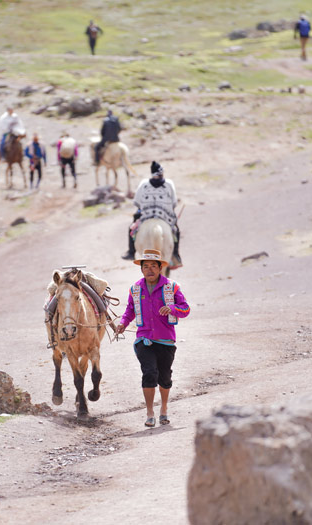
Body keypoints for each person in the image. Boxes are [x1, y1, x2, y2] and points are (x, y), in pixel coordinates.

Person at [116, 249, 190, 427]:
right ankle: (150, 413)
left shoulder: (172, 287)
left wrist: (172, 309)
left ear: (160, 268)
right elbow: (130, 311)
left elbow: (186, 309)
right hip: (144, 340)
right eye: (146, 267)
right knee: (149, 373)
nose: (149, 270)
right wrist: (122, 324)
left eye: (153, 267)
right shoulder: (135, 289)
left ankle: (163, 409)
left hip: (166, 341)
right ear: (141, 269)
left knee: (165, 378)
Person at [121, 161, 182, 268]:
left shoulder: (144, 184)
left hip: (146, 215)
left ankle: (131, 252)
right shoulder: (169, 184)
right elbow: (174, 203)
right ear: (162, 173)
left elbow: (137, 202)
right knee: (176, 230)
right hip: (165, 216)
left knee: (132, 228)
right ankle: (175, 255)